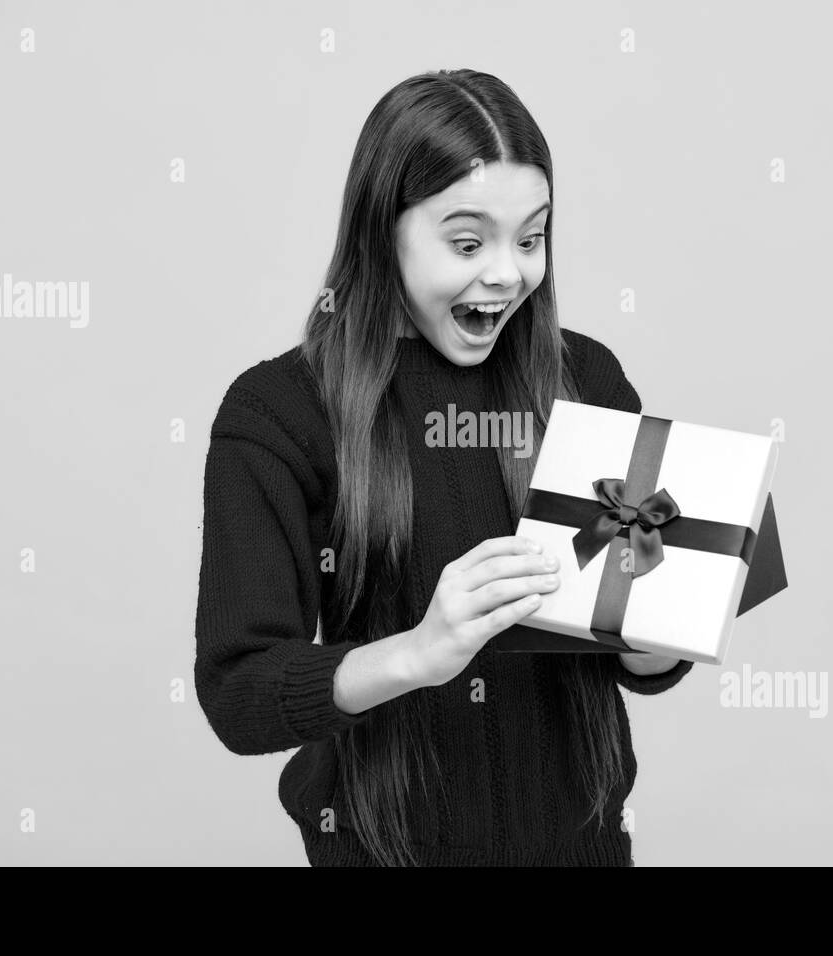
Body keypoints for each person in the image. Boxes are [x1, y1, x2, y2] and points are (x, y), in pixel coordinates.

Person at [193, 68, 694, 867]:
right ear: (379, 231)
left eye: (531, 238)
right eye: (468, 242)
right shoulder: (278, 414)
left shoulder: (588, 382)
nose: (506, 273)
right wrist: (416, 654)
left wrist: (663, 629)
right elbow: (240, 694)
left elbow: (636, 660)